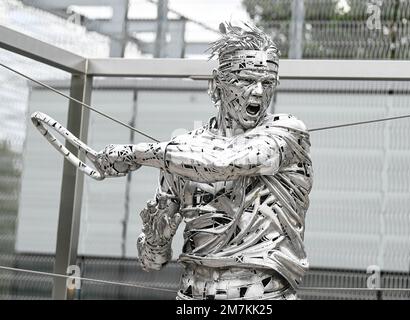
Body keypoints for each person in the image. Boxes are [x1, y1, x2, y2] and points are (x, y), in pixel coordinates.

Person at [95, 22, 313, 300]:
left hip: (264, 298)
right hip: (192, 297)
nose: (258, 92)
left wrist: (136, 154)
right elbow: (152, 262)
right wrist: (156, 238)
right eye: (245, 80)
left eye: (267, 82)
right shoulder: (183, 153)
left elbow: (224, 162)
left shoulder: (287, 133)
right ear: (216, 84)